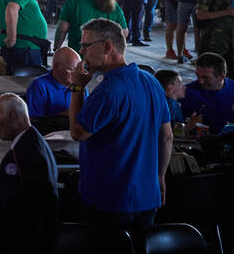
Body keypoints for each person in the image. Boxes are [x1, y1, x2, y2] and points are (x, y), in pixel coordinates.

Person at [67, 17, 172, 230]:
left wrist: (77, 88)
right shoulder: (151, 81)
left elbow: (78, 132)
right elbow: (167, 136)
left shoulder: (109, 90)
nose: (82, 51)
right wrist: (160, 176)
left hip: (110, 199)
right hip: (146, 196)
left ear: (108, 46)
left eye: (86, 45)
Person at [0, 93, 59, 247]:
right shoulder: (36, 141)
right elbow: (16, 191)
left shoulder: (21, 153)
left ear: (12, 116)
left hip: (22, 239)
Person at [180, 52, 234, 131]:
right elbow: (178, 129)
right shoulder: (186, 93)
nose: (200, 81)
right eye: (197, 75)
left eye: (205, 77)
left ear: (221, 76)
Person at [54, 0, 127, 53]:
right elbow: (124, 32)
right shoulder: (113, 5)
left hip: (79, 54)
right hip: (106, 56)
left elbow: (62, 29)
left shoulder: (73, 3)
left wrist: (56, 49)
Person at [24, 46, 79, 129]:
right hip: (50, 134)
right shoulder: (39, 86)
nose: (77, 74)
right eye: (72, 70)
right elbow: (34, 122)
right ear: (57, 67)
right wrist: (62, 117)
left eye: (78, 70)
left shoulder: (79, 85)